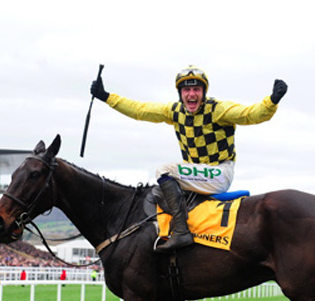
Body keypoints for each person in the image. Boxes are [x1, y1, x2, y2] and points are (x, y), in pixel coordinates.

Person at [91, 66, 287, 252]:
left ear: (203, 92)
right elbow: (140, 110)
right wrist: (106, 97)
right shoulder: (175, 111)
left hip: (220, 173)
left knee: (164, 171)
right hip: (198, 174)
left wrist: (272, 101)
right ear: (180, 93)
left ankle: (181, 232)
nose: (191, 95)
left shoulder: (217, 109)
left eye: (196, 89)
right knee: (158, 192)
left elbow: (250, 115)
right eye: (187, 90)